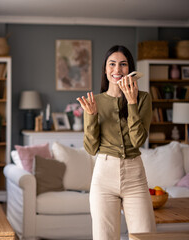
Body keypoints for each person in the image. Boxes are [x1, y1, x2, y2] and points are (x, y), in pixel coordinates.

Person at [77, 45, 156, 240]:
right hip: (104, 176)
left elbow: (138, 140)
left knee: (145, 235)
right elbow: (91, 148)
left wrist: (131, 103)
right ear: (105, 69)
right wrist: (91, 116)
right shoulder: (95, 100)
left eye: (123, 64)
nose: (117, 70)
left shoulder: (143, 98)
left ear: (130, 69)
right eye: (112, 64)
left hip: (135, 176)